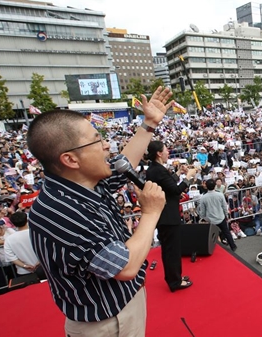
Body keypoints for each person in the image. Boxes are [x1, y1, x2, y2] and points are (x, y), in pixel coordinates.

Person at [26, 87, 170, 335]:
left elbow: (124, 162)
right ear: (70, 160)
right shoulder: (61, 212)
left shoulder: (80, 181)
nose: (107, 146)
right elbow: (125, 268)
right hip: (107, 322)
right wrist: (151, 213)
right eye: (97, 140)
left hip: (121, 306)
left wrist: (148, 125)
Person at [145, 140, 195, 291]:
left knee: (170, 249)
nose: (168, 152)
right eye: (166, 150)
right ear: (159, 153)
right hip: (167, 216)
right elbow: (175, 190)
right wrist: (188, 177)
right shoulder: (158, 170)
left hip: (165, 215)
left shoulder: (155, 168)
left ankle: (175, 277)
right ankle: (174, 282)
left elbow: (168, 185)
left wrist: (179, 173)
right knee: (171, 250)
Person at [198, 179, 237, 252]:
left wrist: (204, 218)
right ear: (215, 186)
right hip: (220, 217)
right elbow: (224, 206)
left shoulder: (203, 197)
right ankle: (233, 246)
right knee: (226, 232)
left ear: (206, 186)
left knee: (212, 235)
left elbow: (202, 211)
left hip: (211, 220)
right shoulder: (220, 194)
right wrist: (226, 215)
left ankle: (216, 250)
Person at [3, 211, 45, 280]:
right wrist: (40, 262)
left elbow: (10, 257)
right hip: (43, 267)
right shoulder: (37, 233)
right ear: (27, 219)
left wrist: (25, 266)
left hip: (24, 271)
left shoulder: (9, 239)